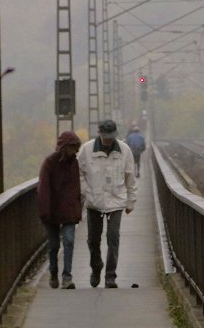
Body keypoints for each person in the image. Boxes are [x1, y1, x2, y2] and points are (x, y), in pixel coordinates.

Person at [78, 119, 137, 289]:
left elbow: (130, 177)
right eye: (106, 138)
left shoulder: (124, 150)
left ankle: (111, 276)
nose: (109, 141)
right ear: (100, 135)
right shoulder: (87, 150)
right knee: (93, 240)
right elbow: (79, 172)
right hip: (94, 201)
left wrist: (131, 200)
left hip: (117, 200)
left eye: (111, 138)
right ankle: (96, 268)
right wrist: (85, 192)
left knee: (113, 238)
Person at [37, 130, 83, 290]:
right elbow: (43, 189)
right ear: (65, 147)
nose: (76, 151)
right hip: (52, 211)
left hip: (69, 211)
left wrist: (77, 209)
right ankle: (53, 272)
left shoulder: (74, 163)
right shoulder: (49, 163)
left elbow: (76, 187)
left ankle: (67, 277)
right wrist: (45, 211)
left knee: (69, 241)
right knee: (54, 245)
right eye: (73, 147)